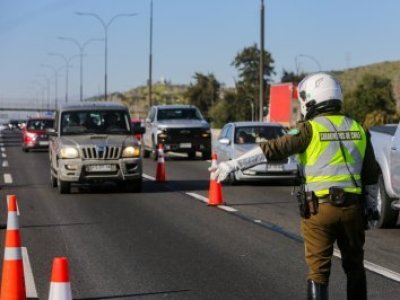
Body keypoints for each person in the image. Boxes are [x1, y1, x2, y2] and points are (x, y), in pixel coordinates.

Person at [210, 72, 380, 300]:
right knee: (355, 268)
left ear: (311, 100)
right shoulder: (359, 129)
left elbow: (271, 149)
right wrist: (370, 209)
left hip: (318, 210)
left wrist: (233, 164)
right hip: (352, 210)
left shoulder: (309, 129)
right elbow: (371, 175)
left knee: (319, 273)